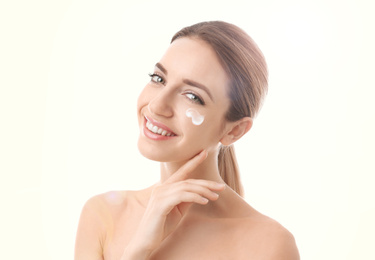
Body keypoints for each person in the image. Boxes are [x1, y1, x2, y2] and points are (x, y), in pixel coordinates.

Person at [74, 21, 300, 260]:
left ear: (234, 131)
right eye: (159, 78)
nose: (157, 105)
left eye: (192, 96)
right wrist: (137, 251)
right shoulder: (103, 215)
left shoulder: (268, 245)